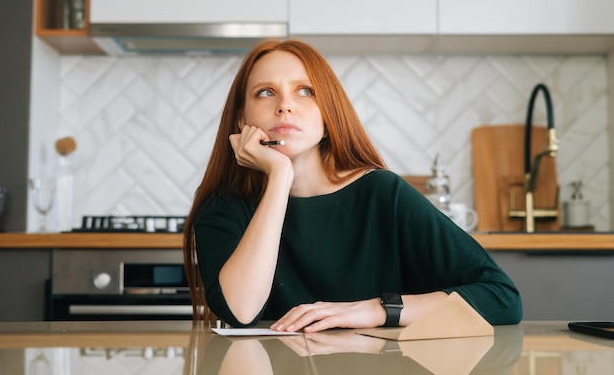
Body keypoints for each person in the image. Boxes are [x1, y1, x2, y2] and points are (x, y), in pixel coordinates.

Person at [183, 39, 522, 332]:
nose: (285, 105)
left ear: (328, 115)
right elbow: (241, 311)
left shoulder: (383, 194)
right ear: (242, 120)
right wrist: (279, 178)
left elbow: (501, 299)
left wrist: (375, 310)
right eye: (266, 92)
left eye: (305, 91)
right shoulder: (222, 208)